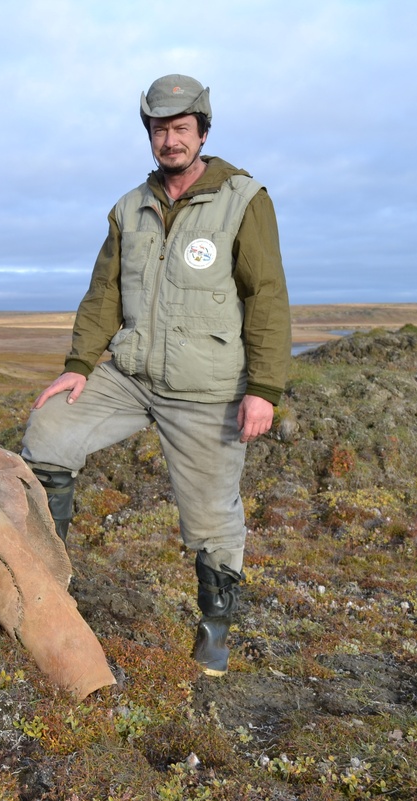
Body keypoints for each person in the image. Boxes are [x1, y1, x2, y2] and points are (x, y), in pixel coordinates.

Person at [21, 74, 291, 677]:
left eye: (180, 129)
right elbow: (103, 296)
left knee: (211, 519)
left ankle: (214, 633)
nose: (170, 140)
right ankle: (49, 588)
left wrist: (264, 390)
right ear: (149, 134)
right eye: (159, 130)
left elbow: (267, 296)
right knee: (47, 434)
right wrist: (77, 367)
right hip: (132, 375)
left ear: (201, 131)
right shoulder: (128, 209)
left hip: (207, 390)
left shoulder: (244, 199)